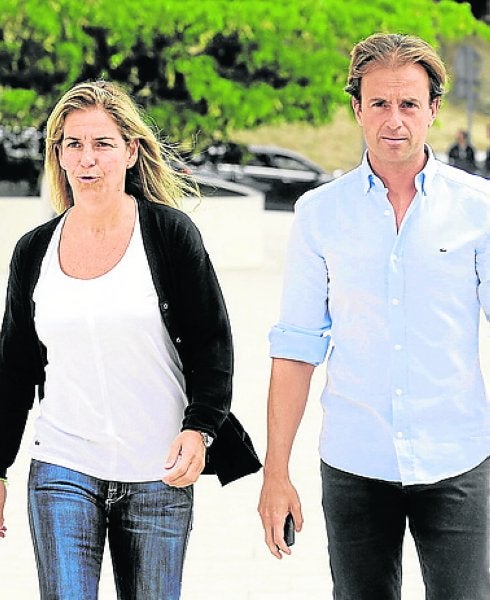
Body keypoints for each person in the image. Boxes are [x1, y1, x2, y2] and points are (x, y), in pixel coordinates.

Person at [0, 80, 261, 600]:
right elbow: (13, 370)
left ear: (131, 151)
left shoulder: (169, 234)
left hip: (158, 474)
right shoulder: (34, 250)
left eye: (102, 143)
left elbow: (212, 343)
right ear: (58, 155)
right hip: (63, 468)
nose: (87, 158)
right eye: (73, 144)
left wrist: (200, 429)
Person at [258, 32, 490, 599]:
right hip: (355, 462)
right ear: (357, 108)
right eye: (379, 103)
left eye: (409, 103)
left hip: (457, 459)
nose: (395, 120)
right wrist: (275, 473)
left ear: (434, 109)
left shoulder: (478, 209)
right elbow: (296, 347)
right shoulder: (318, 214)